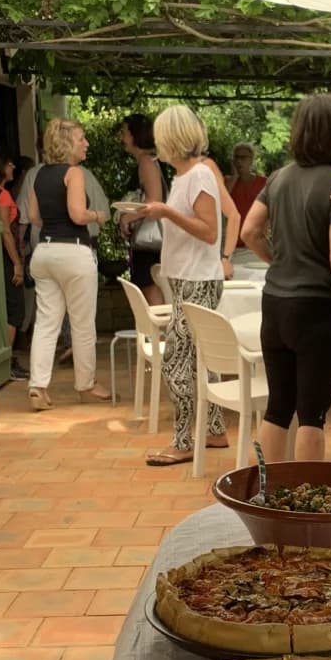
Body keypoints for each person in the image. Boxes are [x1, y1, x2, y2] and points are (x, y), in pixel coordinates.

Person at [240, 94, 331, 462]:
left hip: (275, 305)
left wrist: (280, 261)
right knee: (312, 414)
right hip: (316, 311)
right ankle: (303, 498)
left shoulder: (277, 179)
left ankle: (265, 494)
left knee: (278, 407)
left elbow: (249, 232)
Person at [137, 104, 235, 466]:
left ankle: (182, 441)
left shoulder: (199, 176)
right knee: (199, 360)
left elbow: (210, 232)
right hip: (187, 279)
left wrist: (165, 212)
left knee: (176, 361)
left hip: (197, 280)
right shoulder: (184, 177)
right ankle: (214, 431)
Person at [27, 117, 111, 409]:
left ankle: (38, 386)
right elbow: (77, 215)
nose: (86, 143)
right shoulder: (73, 173)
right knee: (82, 324)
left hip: (45, 253)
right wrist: (97, 216)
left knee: (46, 323)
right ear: (66, 144)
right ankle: (86, 386)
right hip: (74, 254)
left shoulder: (39, 175)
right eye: (81, 139)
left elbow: (35, 218)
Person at [116, 114, 166, 306]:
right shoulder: (150, 160)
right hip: (150, 241)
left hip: (149, 241)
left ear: (135, 135)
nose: (122, 138)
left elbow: (154, 200)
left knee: (148, 286)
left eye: (125, 133)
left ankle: (159, 333)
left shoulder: (146, 162)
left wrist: (127, 218)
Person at [0, 158, 28, 382]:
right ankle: (7, 363)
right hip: (7, 258)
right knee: (15, 310)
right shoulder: (4, 195)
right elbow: (5, 231)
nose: (13, 166)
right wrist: (16, 262)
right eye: (9, 163)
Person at [225, 142, 267, 257]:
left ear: (251, 160)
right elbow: (221, 204)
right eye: (236, 157)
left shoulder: (263, 183)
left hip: (255, 241)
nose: (239, 161)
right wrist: (234, 177)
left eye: (243, 157)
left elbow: (270, 212)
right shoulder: (228, 182)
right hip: (233, 242)